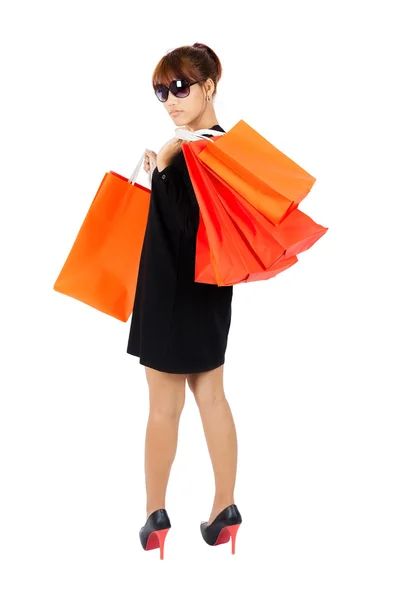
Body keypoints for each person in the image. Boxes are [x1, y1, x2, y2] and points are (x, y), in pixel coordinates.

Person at [127, 42, 242, 558]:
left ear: (209, 87)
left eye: (180, 87)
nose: (170, 100)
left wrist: (165, 165)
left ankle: (155, 518)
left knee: (163, 410)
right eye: (161, 91)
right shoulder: (225, 149)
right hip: (212, 294)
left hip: (169, 294)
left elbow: (181, 226)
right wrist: (165, 161)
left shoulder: (191, 149)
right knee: (213, 397)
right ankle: (226, 509)